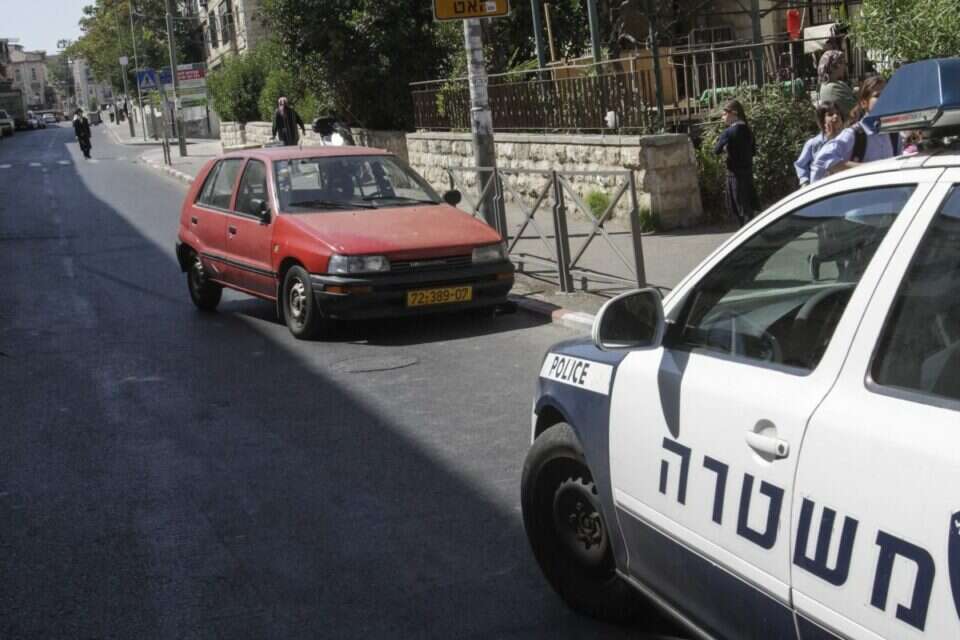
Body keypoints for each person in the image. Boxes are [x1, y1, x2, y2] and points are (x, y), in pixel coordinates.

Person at [810, 75, 898, 183]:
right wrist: (866, 169)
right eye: (878, 96)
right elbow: (823, 159)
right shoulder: (855, 134)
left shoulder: (893, 134)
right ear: (864, 103)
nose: (884, 99)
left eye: (887, 95)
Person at [714, 99, 758, 227]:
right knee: (748, 207)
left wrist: (726, 148)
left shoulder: (728, 133)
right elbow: (753, 152)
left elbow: (716, 150)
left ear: (734, 113)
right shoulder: (748, 131)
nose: (722, 117)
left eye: (724, 114)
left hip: (734, 176)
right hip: (748, 175)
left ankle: (744, 234)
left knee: (738, 210)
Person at [795, 101, 845, 188]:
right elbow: (800, 165)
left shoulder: (848, 139)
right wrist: (805, 182)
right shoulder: (814, 144)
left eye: (838, 113)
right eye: (830, 114)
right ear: (822, 120)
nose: (836, 116)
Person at [816, 49, 856, 120]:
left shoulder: (829, 84)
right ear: (836, 66)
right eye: (843, 63)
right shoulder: (832, 88)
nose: (845, 67)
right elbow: (854, 111)